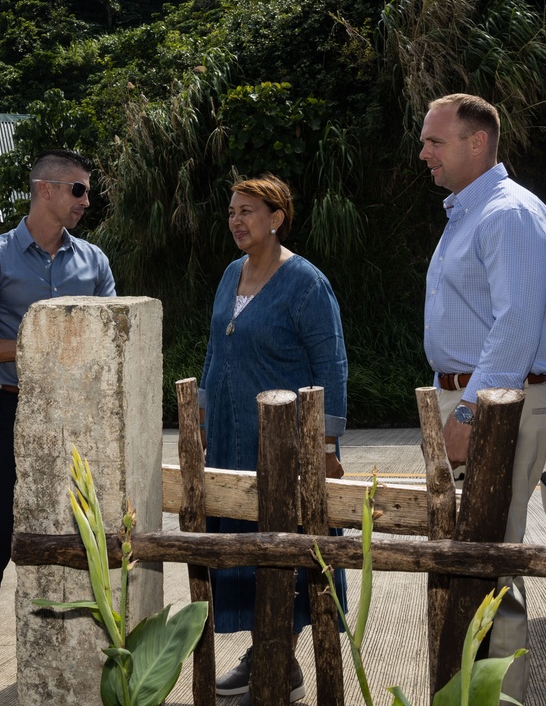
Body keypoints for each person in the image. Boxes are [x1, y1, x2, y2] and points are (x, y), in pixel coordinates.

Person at [0, 149, 116, 706]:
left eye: (86, 192)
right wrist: (36, 349)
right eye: (79, 191)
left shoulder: (94, 262)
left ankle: (95, 654)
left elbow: (110, 333)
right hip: (15, 410)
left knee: (87, 532)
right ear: (45, 189)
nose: (87, 202)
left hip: (82, 419)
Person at [420, 93, 546, 701]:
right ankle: (471, 691)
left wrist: (473, 410)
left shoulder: (508, 214)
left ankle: (501, 697)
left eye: (435, 141)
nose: (423, 152)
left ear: (477, 142)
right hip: (478, 402)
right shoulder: (473, 213)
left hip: (497, 409)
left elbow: (514, 325)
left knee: (495, 563)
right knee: (471, 560)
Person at [199, 174, 348, 705]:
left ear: (277, 218)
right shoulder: (228, 274)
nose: (237, 220)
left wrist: (326, 447)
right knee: (246, 549)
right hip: (230, 439)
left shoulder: (306, 282)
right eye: (233, 211)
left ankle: (275, 657)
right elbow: (215, 351)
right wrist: (199, 419)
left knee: (287, 546)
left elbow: (331, 362)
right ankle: (271, 656)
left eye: (249, 211)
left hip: (285, 446)